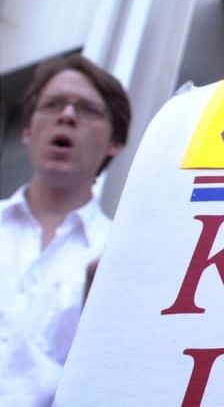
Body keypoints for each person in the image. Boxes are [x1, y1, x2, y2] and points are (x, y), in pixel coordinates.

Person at [0, 54, 132, 406]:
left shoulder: (119, 255)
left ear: (115, 142)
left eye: (88, 110)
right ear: (27, 130)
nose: (68, 115)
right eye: (53, 104)